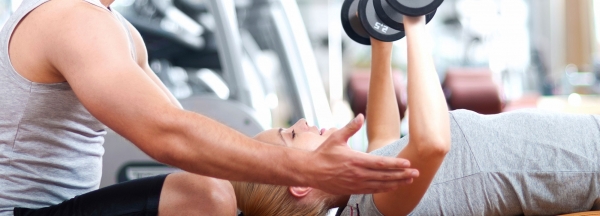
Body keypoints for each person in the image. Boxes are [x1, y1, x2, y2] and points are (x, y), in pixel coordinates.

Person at [0, 0, 421, 215]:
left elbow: (188, 132)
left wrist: (300, 189)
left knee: (207, 187)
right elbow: (167, 135)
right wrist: (303, 169)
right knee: (203, 193)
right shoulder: (73, 19)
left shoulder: (117, 30)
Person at [232, 15, 600, 215]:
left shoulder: (362, 196)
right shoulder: (375, 210)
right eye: (292, 135)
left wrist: (380, 39)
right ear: (301, 184)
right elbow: (431, 143)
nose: (300, 123)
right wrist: (412, 21)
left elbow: (385, 138)